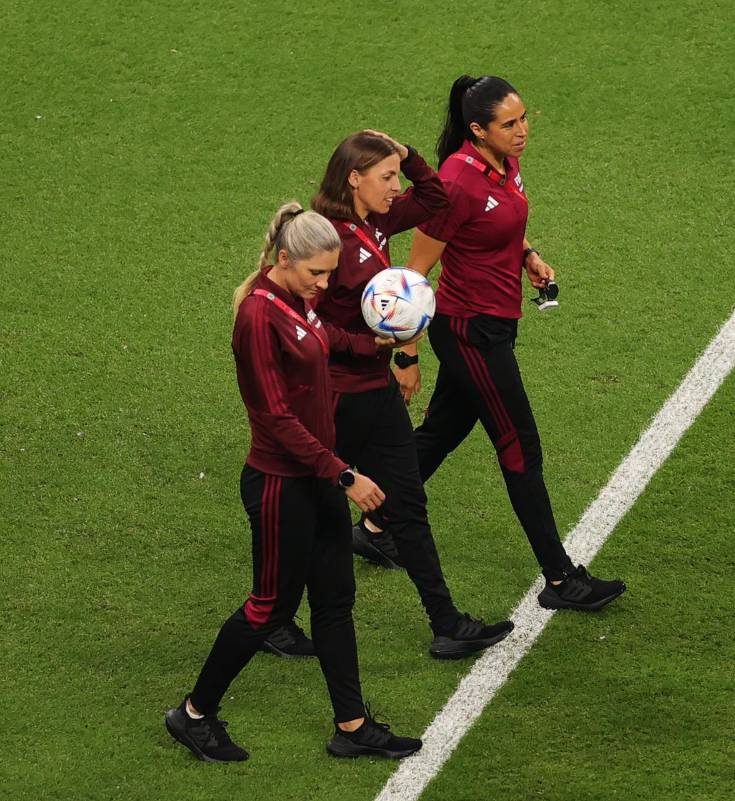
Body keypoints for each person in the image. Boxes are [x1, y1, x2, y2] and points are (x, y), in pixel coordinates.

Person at [165, 204, 421, 762]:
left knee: (334, 600)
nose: (325, 284)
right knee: (268, 609)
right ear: (285, 259)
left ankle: (352, 727)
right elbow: (275, 419)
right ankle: (193, 715)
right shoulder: (257, 318)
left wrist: (376, 344)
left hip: (316, 478)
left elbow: (325, 335)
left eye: (330, 273)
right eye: (317, 273)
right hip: (282, 486)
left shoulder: (294, 300)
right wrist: (344, 474)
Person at [405, 75, 625, 611]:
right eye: (510, 124)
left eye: (525, 118)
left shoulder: (504, 163)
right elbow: (412, 276)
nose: (523, 130)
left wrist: (527, 255)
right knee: (520, 447)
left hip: (494, 323)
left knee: (441, 432)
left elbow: (498, 221)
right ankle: (560, 580)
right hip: (470, 331)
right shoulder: (455, 182)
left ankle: (374, 523)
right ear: (478, 130)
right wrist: (405, 354)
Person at [311, 130, 514, 659]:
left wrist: (408, 156)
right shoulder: (326, 241)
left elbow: (437, 200)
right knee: (311, 513)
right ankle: (270, 616)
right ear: (354, 179)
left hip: (376, 391)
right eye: (386, 178)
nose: (396, 187)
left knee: (408, 504)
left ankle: (447, 624)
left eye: (396, 177)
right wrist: (365, 344)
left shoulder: (376, 220)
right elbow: (306, 321)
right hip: (336, 398)